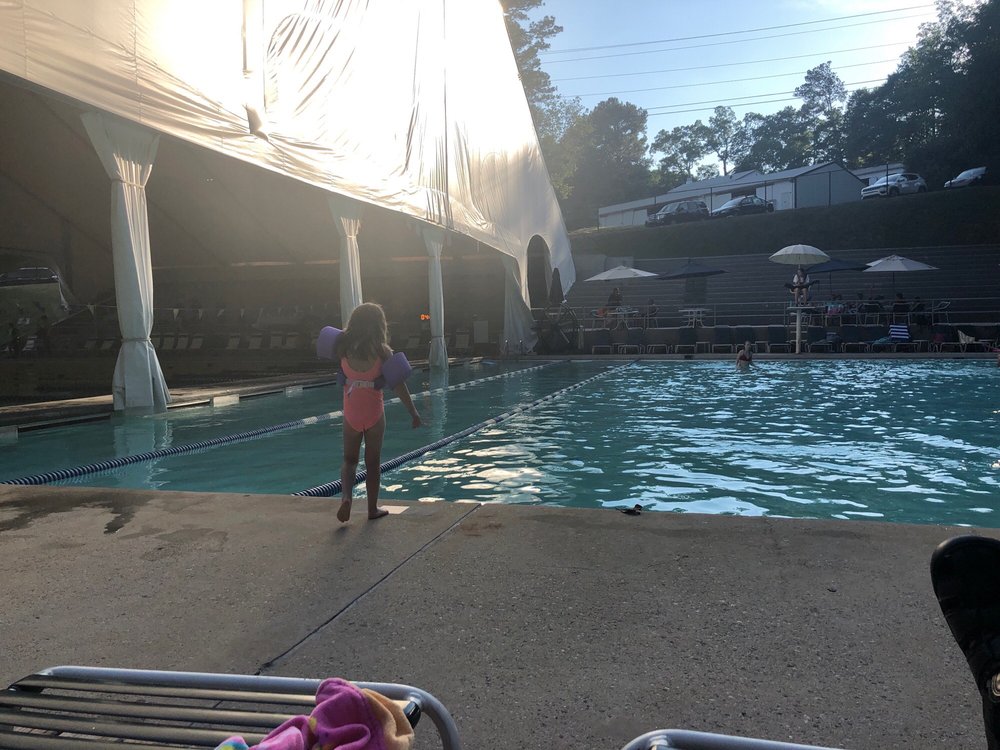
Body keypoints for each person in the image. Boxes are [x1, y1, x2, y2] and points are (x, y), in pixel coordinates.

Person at [334, 303, 421, 523]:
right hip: (374, 414)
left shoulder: (342, 347)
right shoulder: (383, 352)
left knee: (349, 460)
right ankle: (372, 509)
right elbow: (399, 385)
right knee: (373, 463)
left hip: (351, 413)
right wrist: (413, 412)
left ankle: (346, 498)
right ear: (378, 325)